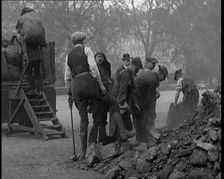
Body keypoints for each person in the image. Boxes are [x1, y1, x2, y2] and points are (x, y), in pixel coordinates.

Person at [64, 31, 136, 160]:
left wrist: (70, 93)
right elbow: (93, 68)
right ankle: (124, 133)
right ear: (83, 41)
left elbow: (67, 77)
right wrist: (102, 87)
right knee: (113, 102)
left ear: (73, 43)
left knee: (83, 120)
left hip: (76, 87)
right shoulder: (86, 50)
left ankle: (83, 153)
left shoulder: (68, 56)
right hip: (88, 84)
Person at [133, 65, 168, 142]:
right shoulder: (153, 80)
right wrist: (151, 111)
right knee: (142, 116)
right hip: (136, 96)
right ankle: (141, 139)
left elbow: (151, 93)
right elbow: (149, 98)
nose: (163, 79)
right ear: (160, 73)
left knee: (143, 115)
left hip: (139, 94)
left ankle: (142, 136)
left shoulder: (153, 75)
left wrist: (156, 92)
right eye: (164, 77)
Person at [88, 52, 116, 145]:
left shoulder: (105, 69)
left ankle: (102, 139)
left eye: (102, 57)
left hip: (104, 98)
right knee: (96, 120)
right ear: (95, 58)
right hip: (96, 98)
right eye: (98, 57)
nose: (100, 59)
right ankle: (92, 141)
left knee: (103, 119)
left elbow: (107, 80)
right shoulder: (92, 69)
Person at [16, 7, 45, 95]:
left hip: (30, 55)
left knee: (28, 72)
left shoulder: (25, 32)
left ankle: (33, 89)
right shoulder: (37, 24)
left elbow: (23, 43)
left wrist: (25, 54)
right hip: (38, 55)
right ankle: (39, 90)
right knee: (37, 72)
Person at [112, 57, 143, 135]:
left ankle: (124, 141)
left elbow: (130, 91)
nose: (138, 70)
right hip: (118, 101)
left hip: (122, 101)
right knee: (120, 125)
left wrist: (134, 103)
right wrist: (123, 103)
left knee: (128, 127)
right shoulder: (125, 74)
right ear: (132, 65)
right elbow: (122, 89)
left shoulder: (129, 74)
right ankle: (120, 140)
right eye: (137, 68)